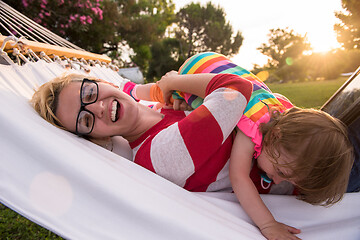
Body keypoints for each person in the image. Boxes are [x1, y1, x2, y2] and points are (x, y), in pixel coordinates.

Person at [30, 53, 354, 240]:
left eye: (90, 94)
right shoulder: (159, 155)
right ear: (94, 138)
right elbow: (236, 89)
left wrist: (161, 91)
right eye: (86, 121)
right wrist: (172, 82)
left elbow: (143, 93)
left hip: (313, 158)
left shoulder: (164, 110)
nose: (97, 108)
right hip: (312, 181)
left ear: (102, 83)